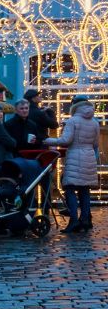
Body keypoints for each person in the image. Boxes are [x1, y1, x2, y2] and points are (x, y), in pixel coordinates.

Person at [44, 99, 99, 233]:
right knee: (84, 189)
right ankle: (85, 220)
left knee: (69, 188)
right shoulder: (94, 122)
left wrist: (47, 140)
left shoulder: (73, 121)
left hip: (75, 156)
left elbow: (65, 140)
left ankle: (73, 220)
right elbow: (96, 144)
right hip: (89, 156)